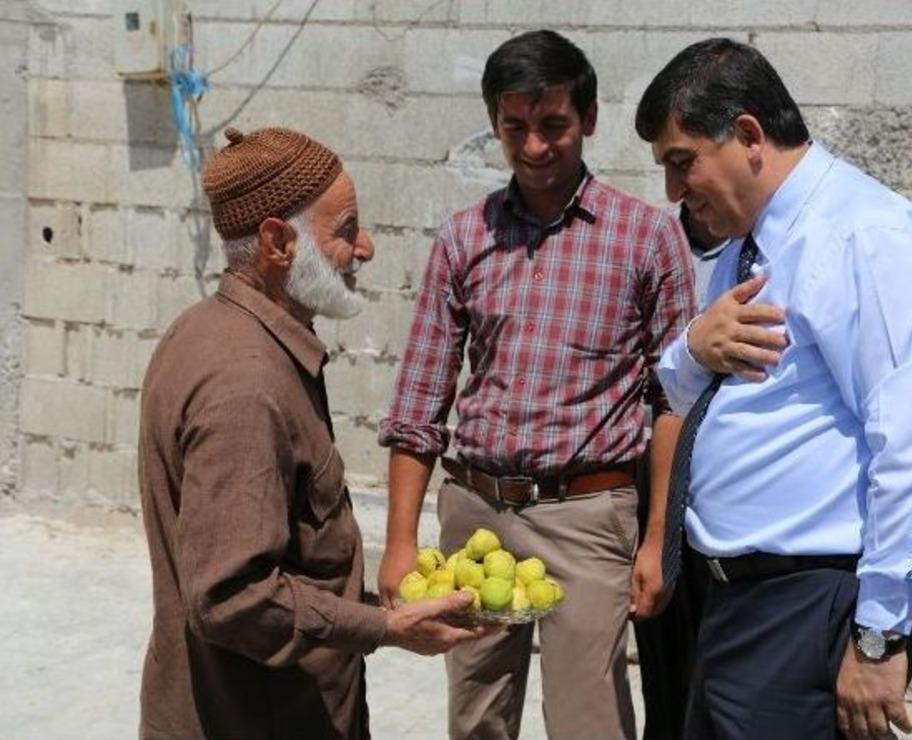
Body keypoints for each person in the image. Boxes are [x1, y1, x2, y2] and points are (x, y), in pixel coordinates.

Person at [635, 39, 912, 739]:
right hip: (736, 603)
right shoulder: (751, 243)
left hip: (809, 604)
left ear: (748, 136)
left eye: (680, 162)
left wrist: (878, 636)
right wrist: (694, 350)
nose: (672, 191)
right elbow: (700, 395)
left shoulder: (865, 235)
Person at [377, 30, 696, 740]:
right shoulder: (465, 239)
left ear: (588, 117)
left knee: (589, 721)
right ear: (494, 123)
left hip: (589, 516)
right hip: (476, 516)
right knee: (477, 717)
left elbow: (676, 401)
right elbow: (419, 402)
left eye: (552, 125)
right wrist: (400, 541)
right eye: (513, 127)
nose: (534, 146)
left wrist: (656, 542)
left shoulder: (645, 239)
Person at [138, 126, 487, 740]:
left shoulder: (210, 330)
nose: (366, 247)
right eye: (346, 229)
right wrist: (386, 628)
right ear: (278, 241)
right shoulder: (245, 384)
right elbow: (231, 597)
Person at [631, 203, 728, 740]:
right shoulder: (655, 242)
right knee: (667, 671)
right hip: (664, 474)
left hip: (732, 492)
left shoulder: (774, 250)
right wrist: (656, 537)